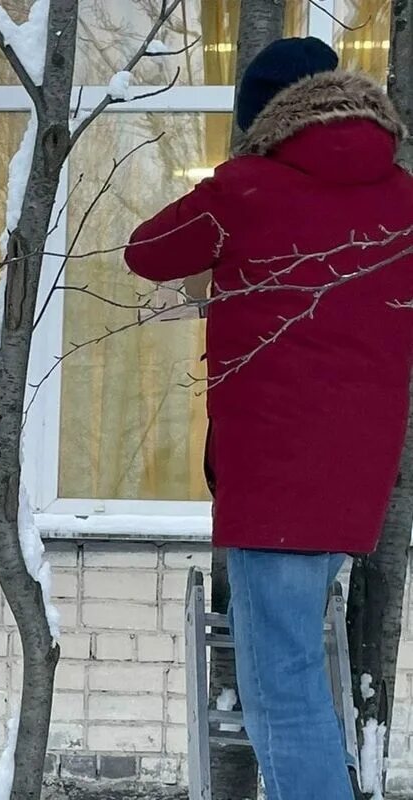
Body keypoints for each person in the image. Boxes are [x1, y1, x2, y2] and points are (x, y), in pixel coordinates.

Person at [124, 38, 413, 800]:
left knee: (281, 695)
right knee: (303, 687)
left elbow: (146, 250)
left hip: (274, 485)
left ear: (264, 120)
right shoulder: (403, 200)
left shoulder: (248, 189)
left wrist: (228, 212)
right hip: (356, 484)